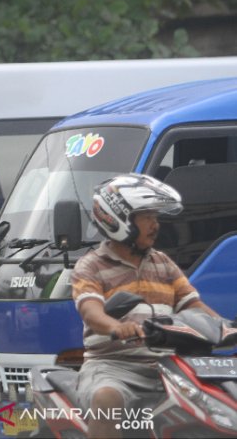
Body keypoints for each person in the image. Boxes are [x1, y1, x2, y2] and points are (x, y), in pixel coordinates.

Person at [71, 174, 221, 439]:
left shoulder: (162, 263)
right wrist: (117, 327)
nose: (155, 225)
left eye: (156, 217)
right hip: (112, 366)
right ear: (119, 219)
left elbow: (194, 305)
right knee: (106, 400)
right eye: (147, 217)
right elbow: (91, 311)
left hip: (168, 365)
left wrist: (224, 327)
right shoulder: (91, 265)